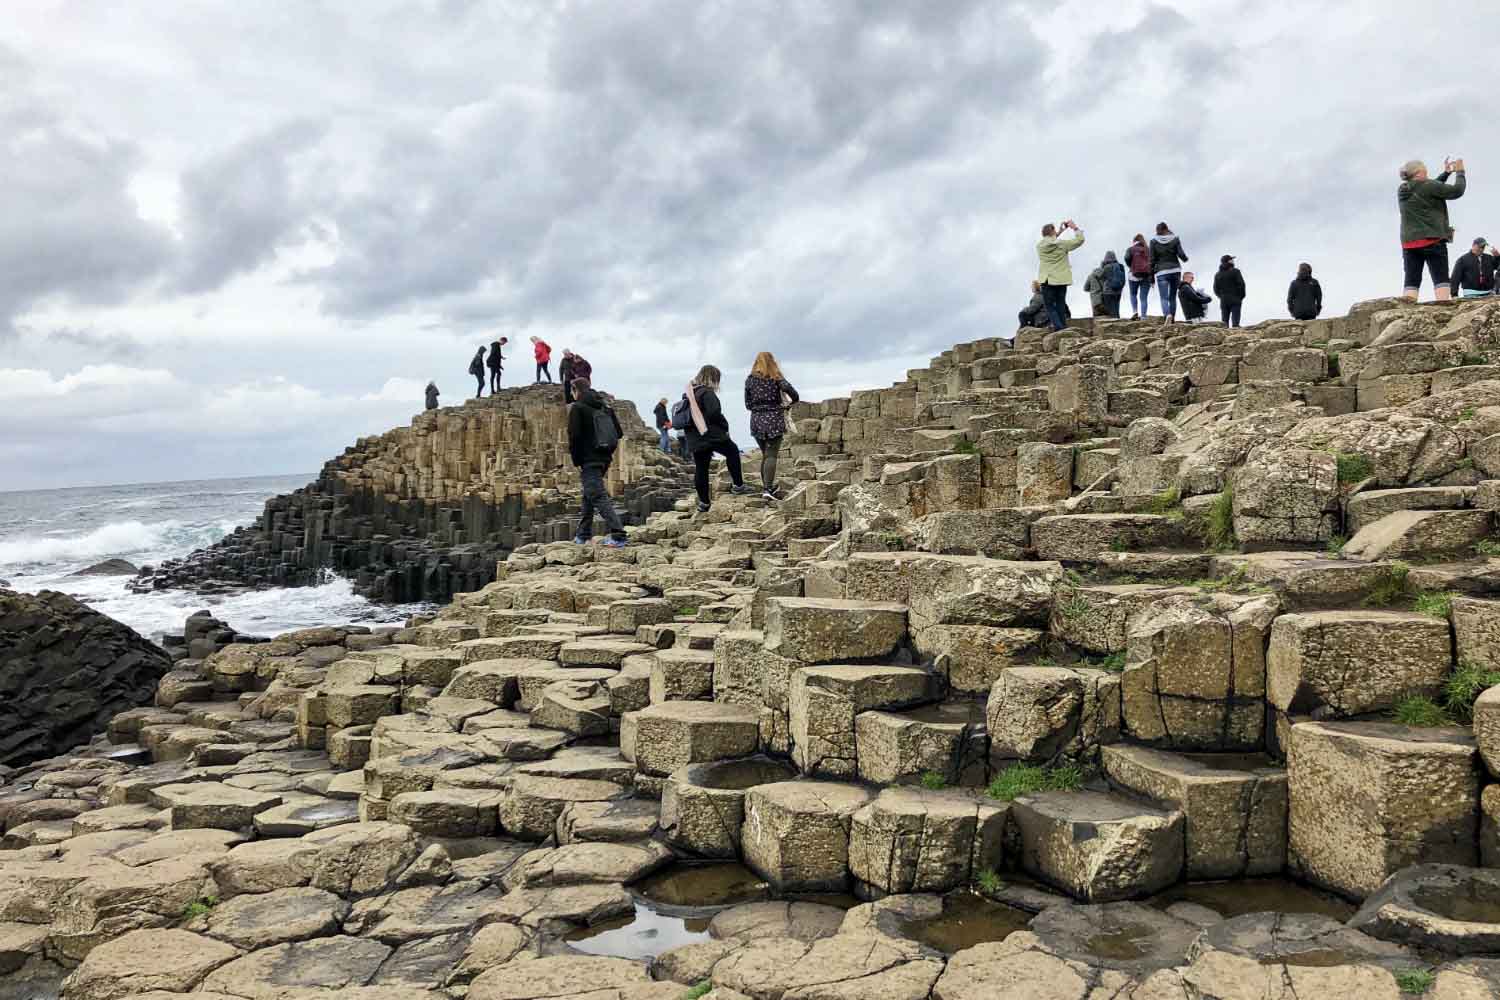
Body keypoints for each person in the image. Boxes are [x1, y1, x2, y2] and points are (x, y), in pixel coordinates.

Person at [566, 377, 627, 548]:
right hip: (604, 458)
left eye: (572, 391)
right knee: (589, 494)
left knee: (597, 495)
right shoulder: (605, 406)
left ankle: (619, 535)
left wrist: (577, 460)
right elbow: (619, 433)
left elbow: (574, 437)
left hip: (588, 459)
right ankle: (583, 534)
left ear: (575, 390)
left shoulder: (577, 408)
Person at [682, 364, 749, 513]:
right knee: (732, 451)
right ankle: (738, 486)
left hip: (694, 437)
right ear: (713, 379)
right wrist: (724, 427)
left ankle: (704, 503)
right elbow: (714, 413)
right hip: (711, 434)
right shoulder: (707, 393)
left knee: (701, 468)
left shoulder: (689, 394)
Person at [1398, 157, 1466, 301]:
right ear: (1419, 173)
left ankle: (1407, 309)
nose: (1427, 174)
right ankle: (1442, 309)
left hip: (1409, 243)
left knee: (1411, 280)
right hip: (1432, 240)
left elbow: (1427, 188)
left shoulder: (1403, 189)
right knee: (1440, 277)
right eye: (1425, 172)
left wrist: (1446, 174)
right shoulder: (1429, 186)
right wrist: (1460, 172)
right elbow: (1457, 191)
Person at [744, 352, 800, 500]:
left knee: (765, 455)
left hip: (756, 420)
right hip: (774, 418)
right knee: (771, 455)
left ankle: (767, 487)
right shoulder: (776, 378)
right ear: (772, 362)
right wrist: (787, 405)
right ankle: (768, 489)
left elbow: (748, 404)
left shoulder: (750, 380)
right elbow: (795, 395)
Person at [1036, 220, 1085, 331]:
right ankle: (1063, 327)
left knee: (1049, 305)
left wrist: (1059, 231)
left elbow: (1050, 240)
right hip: (1061, 279)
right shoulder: (1063, 244)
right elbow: (1080, 240)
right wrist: (1074, 227)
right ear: (1053, 232)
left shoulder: (1040, 246)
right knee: (1060, 304)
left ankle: (1058, 327)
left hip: (1047, 279)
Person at [1150, 222, 1189, 323]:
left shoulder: (1153, 242)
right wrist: (1185, 259)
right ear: (1167, 229)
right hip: (1175, 270)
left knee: (1164, 297)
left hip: (1161, 272)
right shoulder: (1175, 239)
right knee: (1172, 296)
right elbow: (1181, 254)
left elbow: (1152, 260)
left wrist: (1151, 277)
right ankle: (1172, 319)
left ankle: (1167, 315)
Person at [1124, 234, 1153, 319]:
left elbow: (1126, 258)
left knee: (1133, 294)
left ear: (1134, 241)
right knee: (1143, 297)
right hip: (1146, 276)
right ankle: (1143, 316)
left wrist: (1131, 266)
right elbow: (1153, 263)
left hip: (1133, 275)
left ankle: (1135, 311)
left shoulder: (1131, 249)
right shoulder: (1148, 250)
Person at [1213, 255, 1246, 328]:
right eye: (1231, 259)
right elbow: (1242, 284)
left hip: (1224, 300)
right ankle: (1236, 335)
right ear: (1228, 261)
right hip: (1235, 298)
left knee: (1224, 323)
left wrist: (1221, 296)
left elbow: (1215, 289)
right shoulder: (1235, 271)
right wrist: (1240, 297)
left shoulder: (1218, 274)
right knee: (1235, 323)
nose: (1233, 261)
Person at [1098, 251, 1125, 318]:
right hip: (1118, 291)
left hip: (1108, 292)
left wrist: (1101, 266)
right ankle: (1118, 321)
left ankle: (1113, 324)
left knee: (1110, 310)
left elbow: (1100, 277)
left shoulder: (1106, 267)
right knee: (1116, 308)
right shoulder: (1121, 266)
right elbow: (1123, 279)